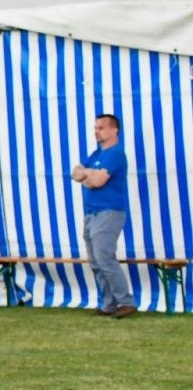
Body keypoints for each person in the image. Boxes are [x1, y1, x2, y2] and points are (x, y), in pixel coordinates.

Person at [72, 113, 133, 318]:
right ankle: (108, 304)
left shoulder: (115, 154)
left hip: (109, 212)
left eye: (101, 128)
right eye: (95, 128)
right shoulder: (96, 154)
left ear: (114, 130)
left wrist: (87, 175)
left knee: (104, 258)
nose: (96, 131)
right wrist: (90, 174)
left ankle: (125, 301)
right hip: (91, 213)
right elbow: (76, 172)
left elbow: (96, 182)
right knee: (96, 262)